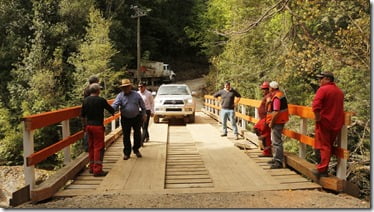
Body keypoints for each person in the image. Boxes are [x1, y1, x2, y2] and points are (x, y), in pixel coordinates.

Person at [312, 72, 344, 178]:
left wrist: (317, 118)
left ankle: (322, 170)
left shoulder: (323, 90)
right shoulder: (339, 92)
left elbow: (316, 106)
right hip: (336, 123)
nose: (319, 81)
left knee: (324, 146)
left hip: (324, 122)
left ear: (327, 79)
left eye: (321, 79)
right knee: (328, 146)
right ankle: (323, 168)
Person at [81, 83, 115, 177]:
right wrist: (114, 112)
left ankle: (91, 167)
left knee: (91, 147)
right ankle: (97, 170)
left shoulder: (85, 101)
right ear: (97, 91)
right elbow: (111, 109)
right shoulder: (101, 100)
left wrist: (84, 126)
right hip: (98, 127)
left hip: (88, 126)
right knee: (98, 148)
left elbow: (82, 115)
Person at [112, 79, 147, 160]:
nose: (126, 88)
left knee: (137, 134)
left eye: (127, 86)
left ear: (130, 86)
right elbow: (115, 105)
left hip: (136, 117)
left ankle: (136, 149)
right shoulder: (120, 96)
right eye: (124, 87)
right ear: (122, 88)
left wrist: (144, 114)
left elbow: (142, 105)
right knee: (126, 136)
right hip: (125, 118)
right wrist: (111, 109)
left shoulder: (136, 95)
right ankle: (127, 153)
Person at [266, 81, 289, 169]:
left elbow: (276, 111)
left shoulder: (276, 97)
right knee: (275, 140)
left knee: (276, 141)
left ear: (271, 88)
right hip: (280, 120)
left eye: (269, 88)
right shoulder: (280, 94)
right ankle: (275, 158)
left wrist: (272, 122)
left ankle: (278, 161)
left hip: (277, 121)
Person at [254, 81, 272, 157]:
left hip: (265, 118)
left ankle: (267, 152)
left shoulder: (268, 95)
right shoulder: (267, 95)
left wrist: (267, 109)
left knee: (257, 129)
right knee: (265, 134)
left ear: (268, 89)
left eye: (265, 89)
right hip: (264, 118)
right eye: (263, 89)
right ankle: (266, 151)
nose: (264, 90)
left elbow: (269, 101)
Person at [82, 75, 100, 152]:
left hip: (86, 111)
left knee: (87, 129)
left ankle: (88, 147)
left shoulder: (86, 89)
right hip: (92, 112)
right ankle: (91, 147)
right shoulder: (92, 89)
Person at [137, 82, 154, 146]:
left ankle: (141, 141)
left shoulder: (149, 94)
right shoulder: (137, 93)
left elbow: (152, 103)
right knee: (142, 126)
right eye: (138, 87)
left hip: (147, 111)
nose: (140, 88)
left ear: (144, 87)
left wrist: (152, 111)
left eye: (141, 87)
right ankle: (147, 136)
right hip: (139, 111)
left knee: (144, 126)